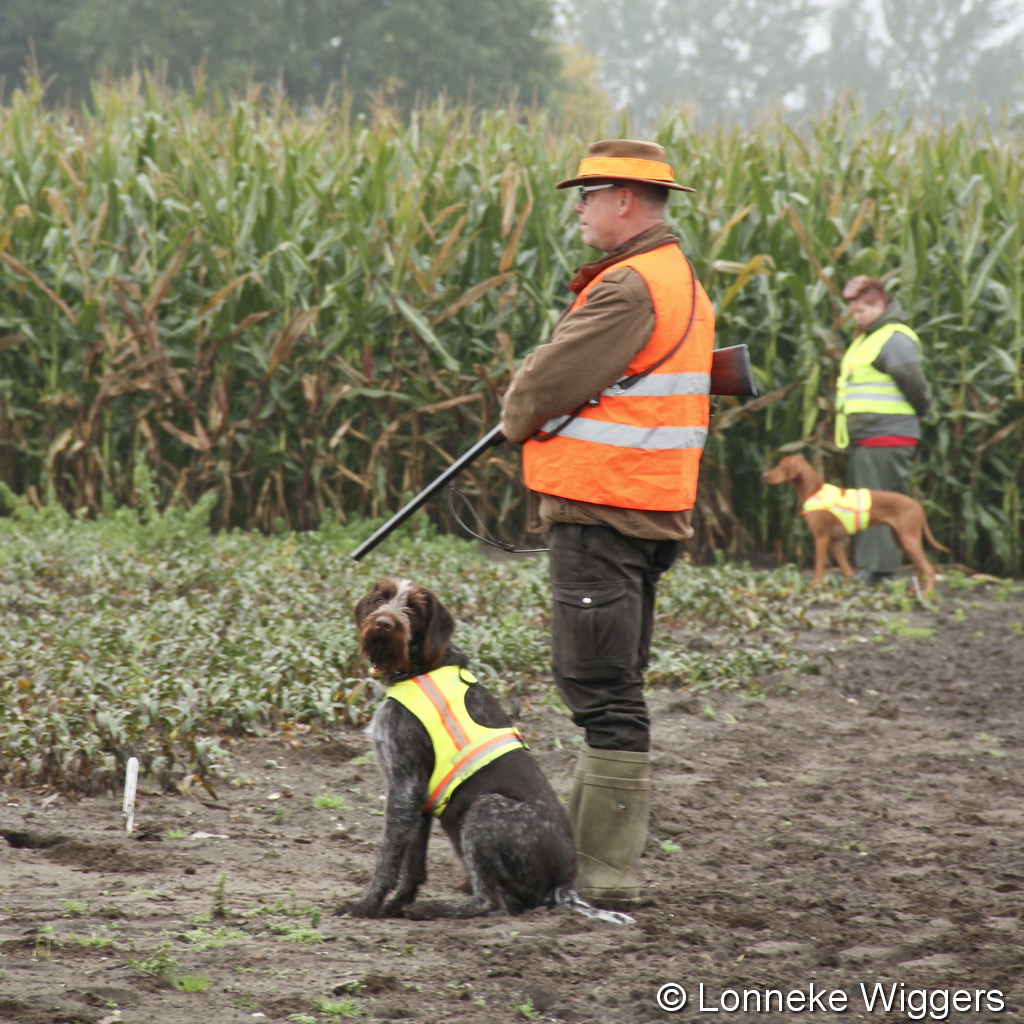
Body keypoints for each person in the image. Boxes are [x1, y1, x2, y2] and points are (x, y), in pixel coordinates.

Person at [500, 139, 714, 906]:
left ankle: (605, 875)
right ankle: (585, 865)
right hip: (648, 509)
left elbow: (544, 385)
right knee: (608, 684)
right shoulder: (679, 276)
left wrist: (519, 413)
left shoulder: (627, 285)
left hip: (604, 509)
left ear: (625, 198)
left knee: (600, 691)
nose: (579, 207)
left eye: (587, 194)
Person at [835, 275, 931, 585]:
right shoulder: (869, 336)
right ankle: (874, 569)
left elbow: (914, 382)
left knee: (881, 507)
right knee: (867, 504)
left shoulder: (894, 337)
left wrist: (923, 411)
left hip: (887, 433)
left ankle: (882, 572)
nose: (856, 317)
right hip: (868, 435)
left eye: (861, 311)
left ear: (879, 305)